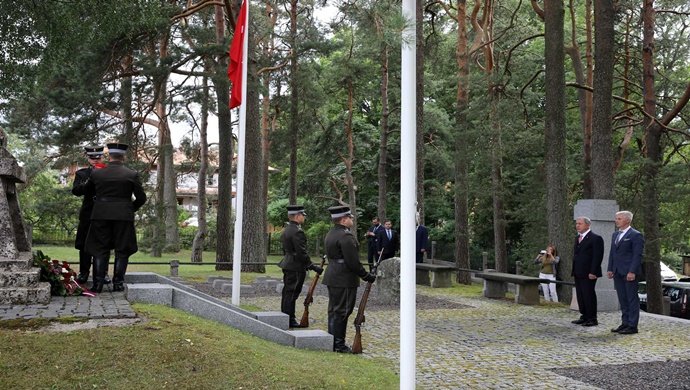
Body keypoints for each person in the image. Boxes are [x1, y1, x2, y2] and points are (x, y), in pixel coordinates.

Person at [84, 143, 146, 293]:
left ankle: (98, 284)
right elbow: (141, 198)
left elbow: (87, 192)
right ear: (123, 156)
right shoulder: (131, 174)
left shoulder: (97, 174)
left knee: (99, 249)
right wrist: (130, 208)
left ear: (109, 156)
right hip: (123, 216)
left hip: (101, 215)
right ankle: (118, 283)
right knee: (122, 250)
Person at [322, 205, 376, 353]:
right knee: (343, 311)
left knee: (334, 310)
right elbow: (352, 262)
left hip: (333, 275)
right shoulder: (345, 236)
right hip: (344, 277)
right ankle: (338, 344)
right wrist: (366, 276)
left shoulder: (331, 233)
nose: (352, 219)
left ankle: (333, 341)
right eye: (350, 217)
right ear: (344, 219)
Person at [278, 204, 323, 328]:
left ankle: (285, 317)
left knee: (287, 293)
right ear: (297, 216)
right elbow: (301, 252)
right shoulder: (298, 232)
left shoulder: (287, 229)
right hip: (295, 266)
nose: (304, 217)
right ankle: (289, 319)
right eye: (302, 215)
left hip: (288, 263)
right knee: (292, 294)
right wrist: (312, 266)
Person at [71, 146, 106, 284]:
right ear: (88, 158)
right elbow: (76, 191)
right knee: (84, 245)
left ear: (102, 158)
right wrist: (90, 179)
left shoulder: (108, 172)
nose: (95, 160)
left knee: (103, 244)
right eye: (92, 158)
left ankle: (102, 273)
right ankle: (83, 273)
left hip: (104, 212)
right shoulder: (82, 174)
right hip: (88, 212)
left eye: (98, 157)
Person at [607, 210, 645, 335]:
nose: (616, 220)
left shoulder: (635, 235)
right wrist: (610, 268)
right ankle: (625, 323)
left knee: (631, 299)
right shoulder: (615, 235)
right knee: (623, 299)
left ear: (627, 220)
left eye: (619, 218)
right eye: (616, 218)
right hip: (617, 271)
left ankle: (633, 325)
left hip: (629, 272)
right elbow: (613, 253)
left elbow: (637, 255)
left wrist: (632, 271)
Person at [571, 216, 604, 327]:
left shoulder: (595, 238)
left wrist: (593, 272)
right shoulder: (577, 238)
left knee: (588, 295)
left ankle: (592, 318)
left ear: (588, 225)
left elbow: (597, 257)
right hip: (578, 271)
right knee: (580, 295)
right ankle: (584, 316)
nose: (577, 225)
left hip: (589, 273)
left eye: (580, 223)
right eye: (576, 223)